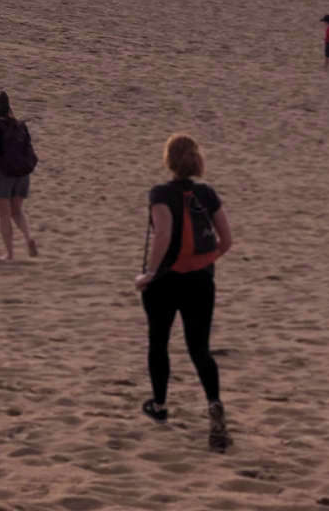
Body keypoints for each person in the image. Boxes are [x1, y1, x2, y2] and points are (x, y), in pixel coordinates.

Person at [134, 133, 234, 451]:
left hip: (165, 281)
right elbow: (227, 241)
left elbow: (162, 234)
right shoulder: (207, 194)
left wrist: (150, 273)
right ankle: (214, 404)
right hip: (201, 282)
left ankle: (160, 406)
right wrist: (202, 262)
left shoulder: (160, 193)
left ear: (168, 160)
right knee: (199, 349)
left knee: (159, 342)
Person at [0, 91, 38, 262]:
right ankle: (28, 237)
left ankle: (10, 254)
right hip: (22, 174)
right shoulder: (20, 125)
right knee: (17, 211)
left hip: (2, 175)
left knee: (4, 215)